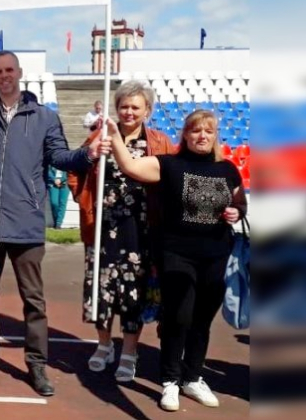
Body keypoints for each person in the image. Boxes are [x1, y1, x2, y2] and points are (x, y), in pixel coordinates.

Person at [0, 51, 110, 397]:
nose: (4, 75)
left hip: (25, 222)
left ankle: (37, 364)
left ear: (20, 73)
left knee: (34, 300)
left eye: (9, 69)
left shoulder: (44, 117)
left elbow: (60, 157)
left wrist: (88, 154)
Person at [104, 109, 246, 412]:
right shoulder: (168, 165)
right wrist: (114, 136)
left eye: (208, 131)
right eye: (196, 130)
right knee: (178, 316)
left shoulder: (227, 169)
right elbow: (129, 166)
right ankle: (170, 380)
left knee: (202, 320)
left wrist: (237, 211)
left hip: (216, 254)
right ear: (186, 134)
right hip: (176, 253)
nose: (202, 136)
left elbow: (239, 201)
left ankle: (192, 377)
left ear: (215, 136)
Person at [67, 80, 175, 383]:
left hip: (141, 228)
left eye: (135, 107)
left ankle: (129, 351)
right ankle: (104, 344)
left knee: (133, 290)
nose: (129, 112)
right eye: (124, 106)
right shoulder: (99, 136)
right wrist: (85, 196)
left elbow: (172, 177)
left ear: (147, 110)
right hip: (102, 227)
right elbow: (75, 170)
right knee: (100, 288)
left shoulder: (159, 142)